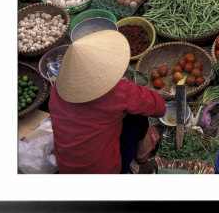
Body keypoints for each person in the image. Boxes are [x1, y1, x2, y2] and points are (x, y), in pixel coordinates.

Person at [48, 30, 166, 174]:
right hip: (109, 171)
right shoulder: (119, 92)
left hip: (67, 170)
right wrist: (131, 89)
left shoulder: (58, 90)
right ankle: (143, 151)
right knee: (137, 110)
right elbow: (159, 107)